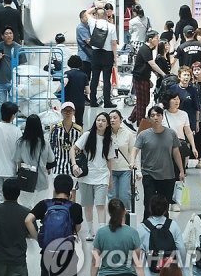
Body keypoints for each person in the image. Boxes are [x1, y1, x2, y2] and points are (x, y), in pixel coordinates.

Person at [25, 174, 84, 276]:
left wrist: (38, 238)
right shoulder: (75, 207)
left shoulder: (44, 204)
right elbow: (77, 229)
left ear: (54, 189)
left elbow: (28, 220)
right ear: (70, 191)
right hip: (67, 252)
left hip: (48, 252)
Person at [131, 106, 185, 221]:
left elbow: (176, 152)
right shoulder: (143, 135)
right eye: (152, 115)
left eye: (158, 115)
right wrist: (132, 162)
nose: (156, 118)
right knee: (148, 203)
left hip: (167, 175)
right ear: (149, 118)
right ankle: (147, 225)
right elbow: (135, 149)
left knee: (164, 204)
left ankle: (164, 228)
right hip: (149, 173)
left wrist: (181, 170)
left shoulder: (171, 133)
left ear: (162, 117)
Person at [90, 199, 149, 276]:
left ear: (109, 212)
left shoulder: (101, 233)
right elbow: (137, 264)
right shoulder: (132, 233)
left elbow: (94, 262)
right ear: (124, 211)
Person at [71, 112, 115, 240]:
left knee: (100, 205)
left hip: (102, 176)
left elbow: (109, 160)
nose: (100, 123)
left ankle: (101, 233)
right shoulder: (87, 136)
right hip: (86, 176)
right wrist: (74, 165)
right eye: (98, 120)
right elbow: (73, 149)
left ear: (107, 124)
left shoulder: (109, 140)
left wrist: (110, 178)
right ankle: (90, 231)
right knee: (88, 205)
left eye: (103, 121)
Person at [137, 194, 188, 276]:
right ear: (166, 209)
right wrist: (184, 273)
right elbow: (181, 248)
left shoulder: (142, 227)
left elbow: (138, 256)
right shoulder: (173, 225)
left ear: (150, 209)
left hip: (150, 275)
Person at [15, 113, 56, 208]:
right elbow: (51, 160)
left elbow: (18, 161)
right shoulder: (44, 143)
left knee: (25, 207)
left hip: (25, 180)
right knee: (40, 209)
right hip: (42, 180)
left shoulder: (20, 143)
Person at [130, 31, 166, 123]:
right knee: (142, 102)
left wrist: (155, 74)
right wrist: (163, 74)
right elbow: (152, 64)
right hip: (139, 78)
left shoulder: (149, 49)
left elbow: (148, 66)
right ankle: (140, 123)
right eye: (156, 38)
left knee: (144, 101)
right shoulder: (145, 49)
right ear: (150, 39)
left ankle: (131, 119)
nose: (158, 40)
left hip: (144, 78)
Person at [0, 26, 26, 111]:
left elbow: (23, 64)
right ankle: (2, 122)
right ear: (2, 36)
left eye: (10, 33)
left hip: (14, 81)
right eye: (6, 33)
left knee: (13, 105)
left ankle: (11, 122)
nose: (9, 35)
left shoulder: (19, 48)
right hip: (0, 81)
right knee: (1, 105)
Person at [87, 6, 118, 108]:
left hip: (95, 53)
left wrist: (96, 7)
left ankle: (93, 101)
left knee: (94, 78)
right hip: (107, 54)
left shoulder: (93, 23)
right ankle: (107, 102)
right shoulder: (111, 26)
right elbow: (114, 43)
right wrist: (115, 57)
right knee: (106, 80)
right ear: (106, 15)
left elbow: (86, 13)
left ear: (96, 15)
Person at [109, 110, 137, 210]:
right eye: (110, 118)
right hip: (110, 170)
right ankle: (114, 220)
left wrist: (137, 171)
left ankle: (126, 219)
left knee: (124, 196)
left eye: (115, 118)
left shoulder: (128, 134)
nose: (112, 120)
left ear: (121, 120)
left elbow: (134, 152)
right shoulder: (105, 134)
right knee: (112, 197)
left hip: (125, 170)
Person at [49, 102, 83, 178]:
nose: (68, 113)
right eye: (65, 110)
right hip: (57, 165)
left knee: (72, 189)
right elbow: (51, 146)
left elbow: (81, 148)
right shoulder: (55, 128)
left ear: (74, 112)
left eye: (70, 110)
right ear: (61, 112)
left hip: (73, 165)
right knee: (57, 188)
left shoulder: (78, 130)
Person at [63, 55, 89, 126]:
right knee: (79, 121)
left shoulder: (67, 74)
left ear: (69, 63)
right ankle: (80, 135)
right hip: (80, 102)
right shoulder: (84, 75)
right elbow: (88, 91)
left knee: (68, 120)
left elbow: (63, 84)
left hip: (68, 101)